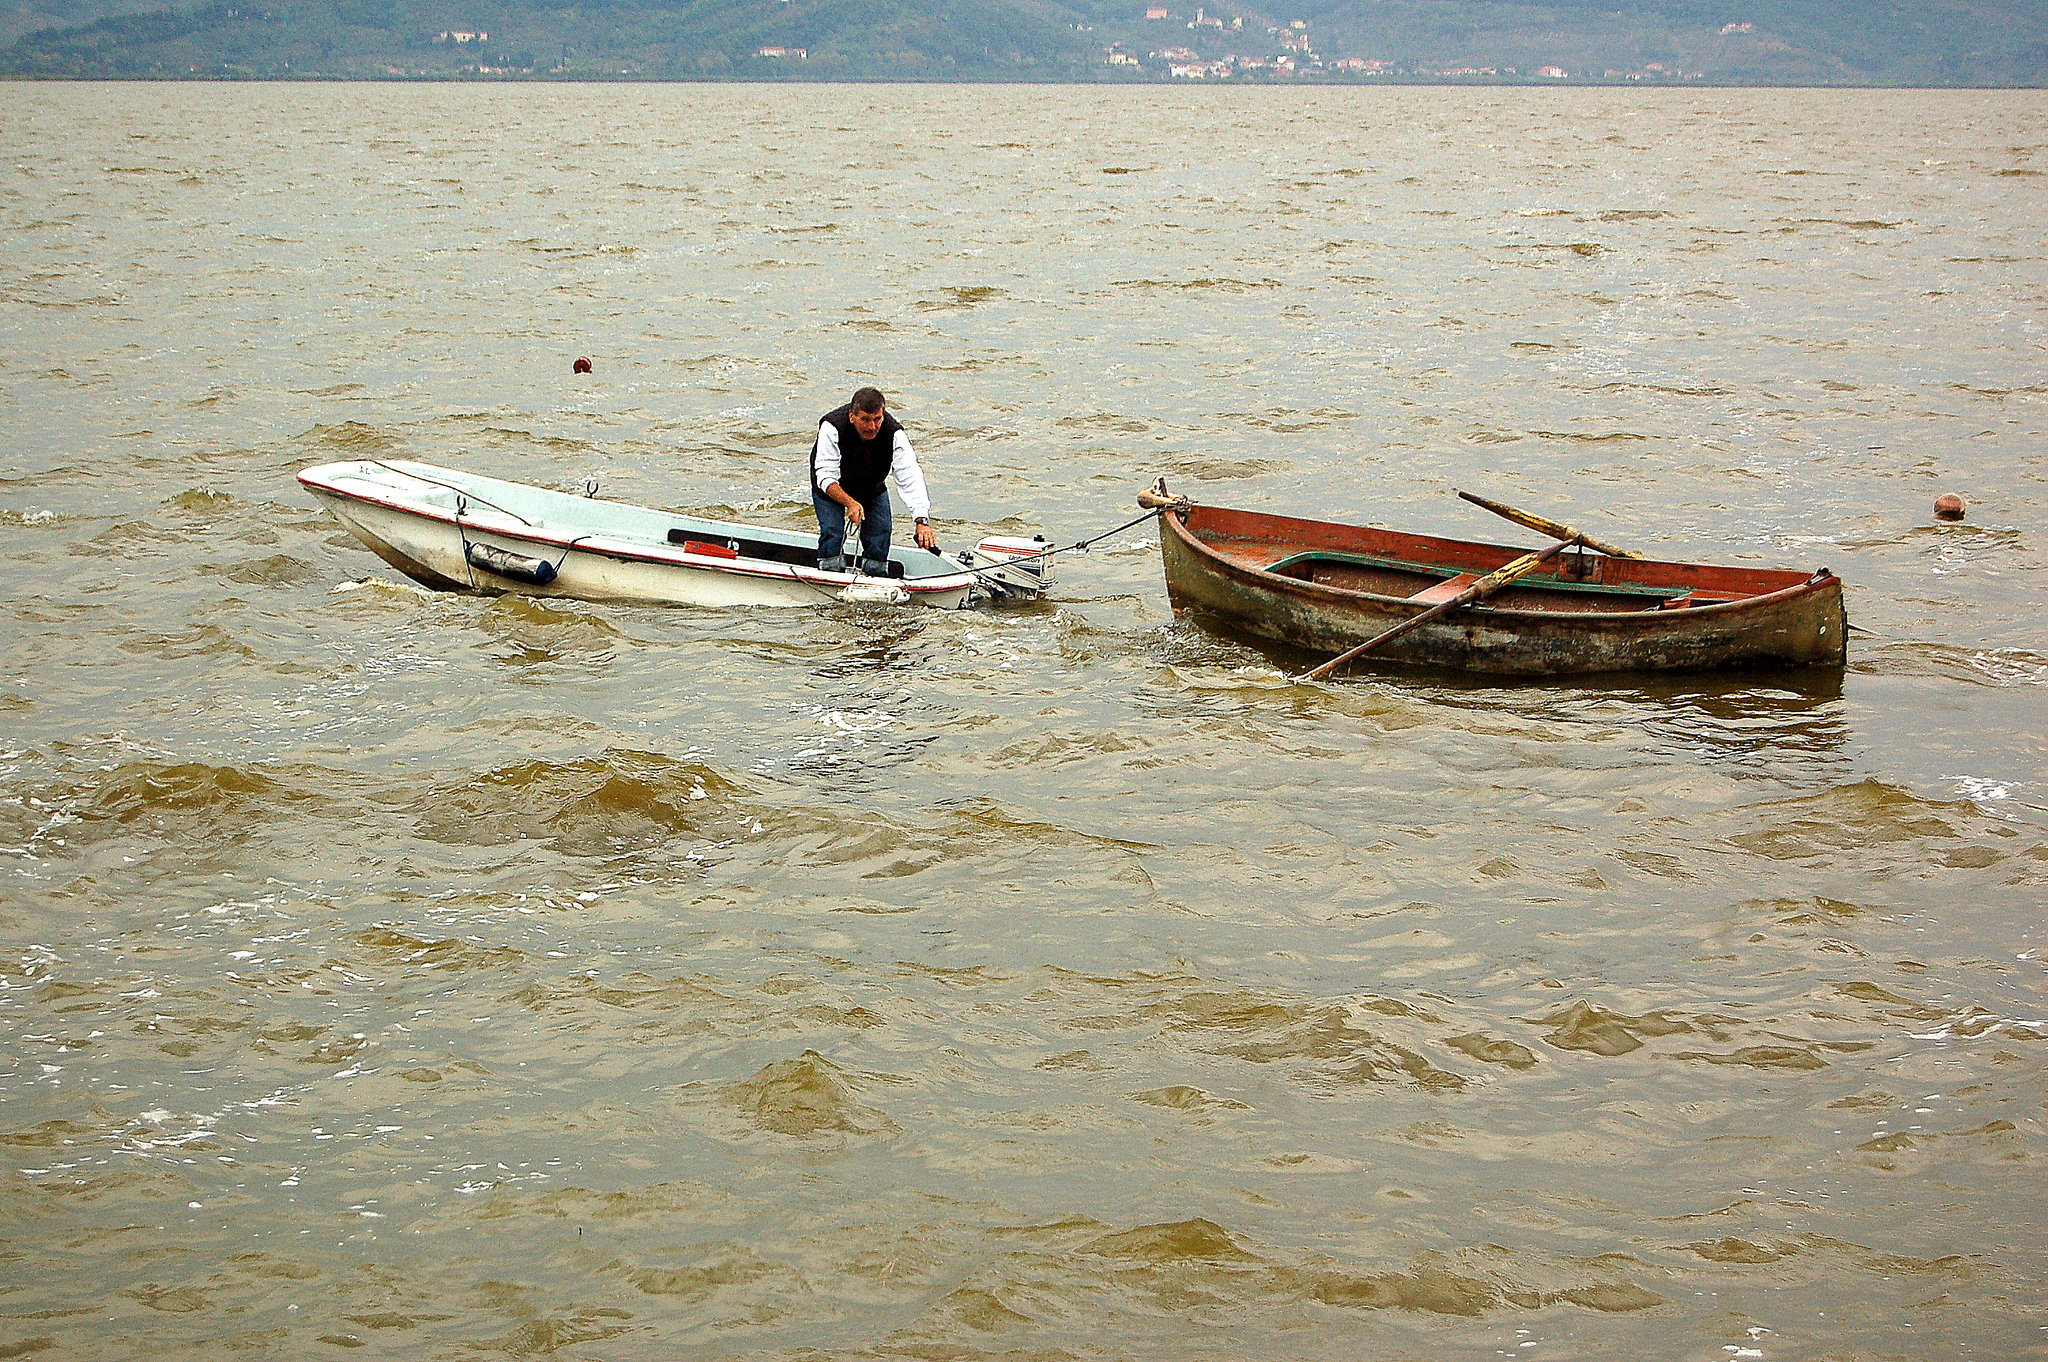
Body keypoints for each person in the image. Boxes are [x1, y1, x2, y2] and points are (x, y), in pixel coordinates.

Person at [810, 386, 937, 575]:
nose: (872, 427)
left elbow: (910, 476)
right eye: (865, 420)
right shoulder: (832, 426)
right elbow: (825, 476)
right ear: (852, 416)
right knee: (832, 532)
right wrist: (850, 503)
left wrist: (921, 521)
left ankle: (875, 576)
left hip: (871, 485)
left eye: (877, 419)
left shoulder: (894, 434)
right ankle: (829, 574)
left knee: (881, 533)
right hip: (831, 486)